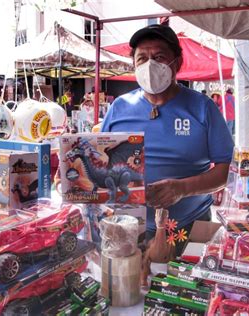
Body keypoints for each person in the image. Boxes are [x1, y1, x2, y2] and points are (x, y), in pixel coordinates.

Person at [100, 24, 234, 255]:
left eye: (159, 57)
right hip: (129, 227)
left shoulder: (202, 108)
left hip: (191, 226)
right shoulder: (119, 107)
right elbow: (100, 159)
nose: (149, 64)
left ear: (177, 63)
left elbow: (228, 171)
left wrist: (182, 188)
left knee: (189, 289)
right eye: (142, 58)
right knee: (131, 288)